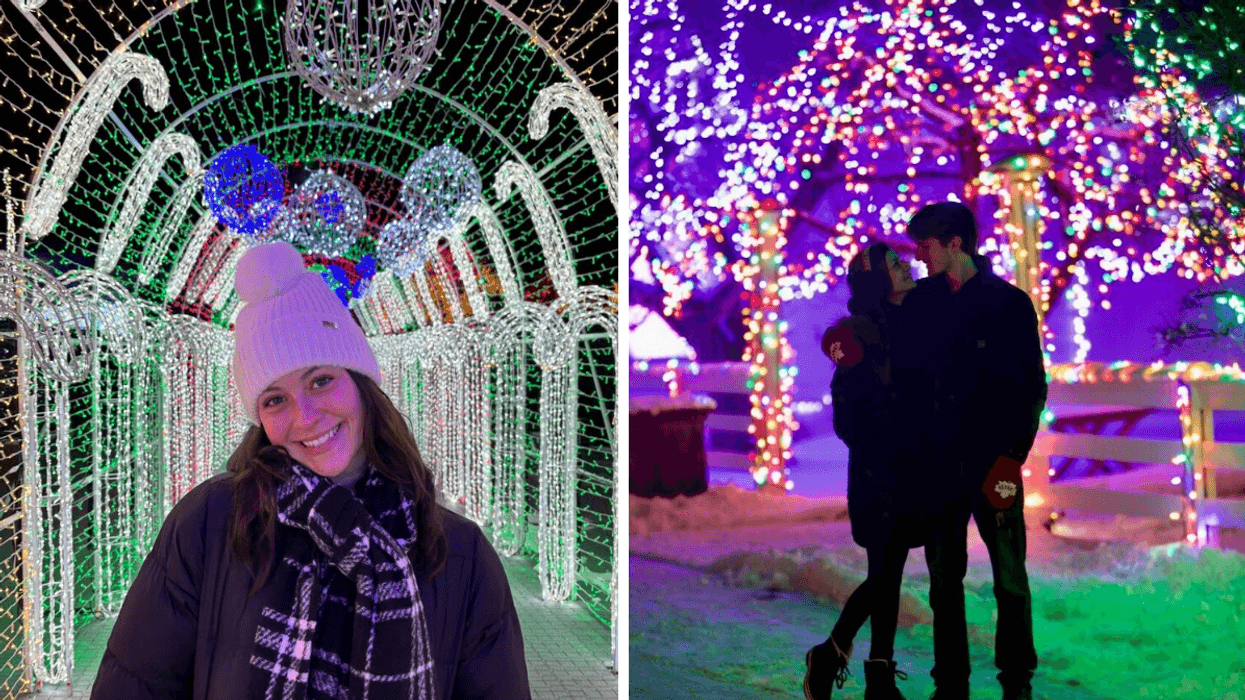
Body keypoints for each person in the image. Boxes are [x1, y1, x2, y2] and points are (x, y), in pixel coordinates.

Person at [91, 241, 531, 700]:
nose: (305, 418)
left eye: (321, 380)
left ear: (360, 383)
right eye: (275, 399)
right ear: (259, 419)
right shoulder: (211, 523)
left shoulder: (460, 554)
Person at [905, 201, 1047, 700]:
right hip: (940, 466)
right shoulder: (920, 305)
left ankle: (1016, 681)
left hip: (997, 462)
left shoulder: (1008, 304)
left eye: (925, 245)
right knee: (944, 579)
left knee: (1009, 575)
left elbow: (1030, 387)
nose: (918, 255)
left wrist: (1012, 456)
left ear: (955, 243)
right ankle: (951, 684)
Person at [804, 242, 930, 700]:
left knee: (888, 574)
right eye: (895, 265)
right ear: (879, 281)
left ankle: (834, 654)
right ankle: (875, 675)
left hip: (915, 471)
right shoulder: (859, 335)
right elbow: (847, 415)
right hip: (880, 474)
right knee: (886, 572)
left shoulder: (916, 321)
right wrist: (886, 438)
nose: (906, 267)